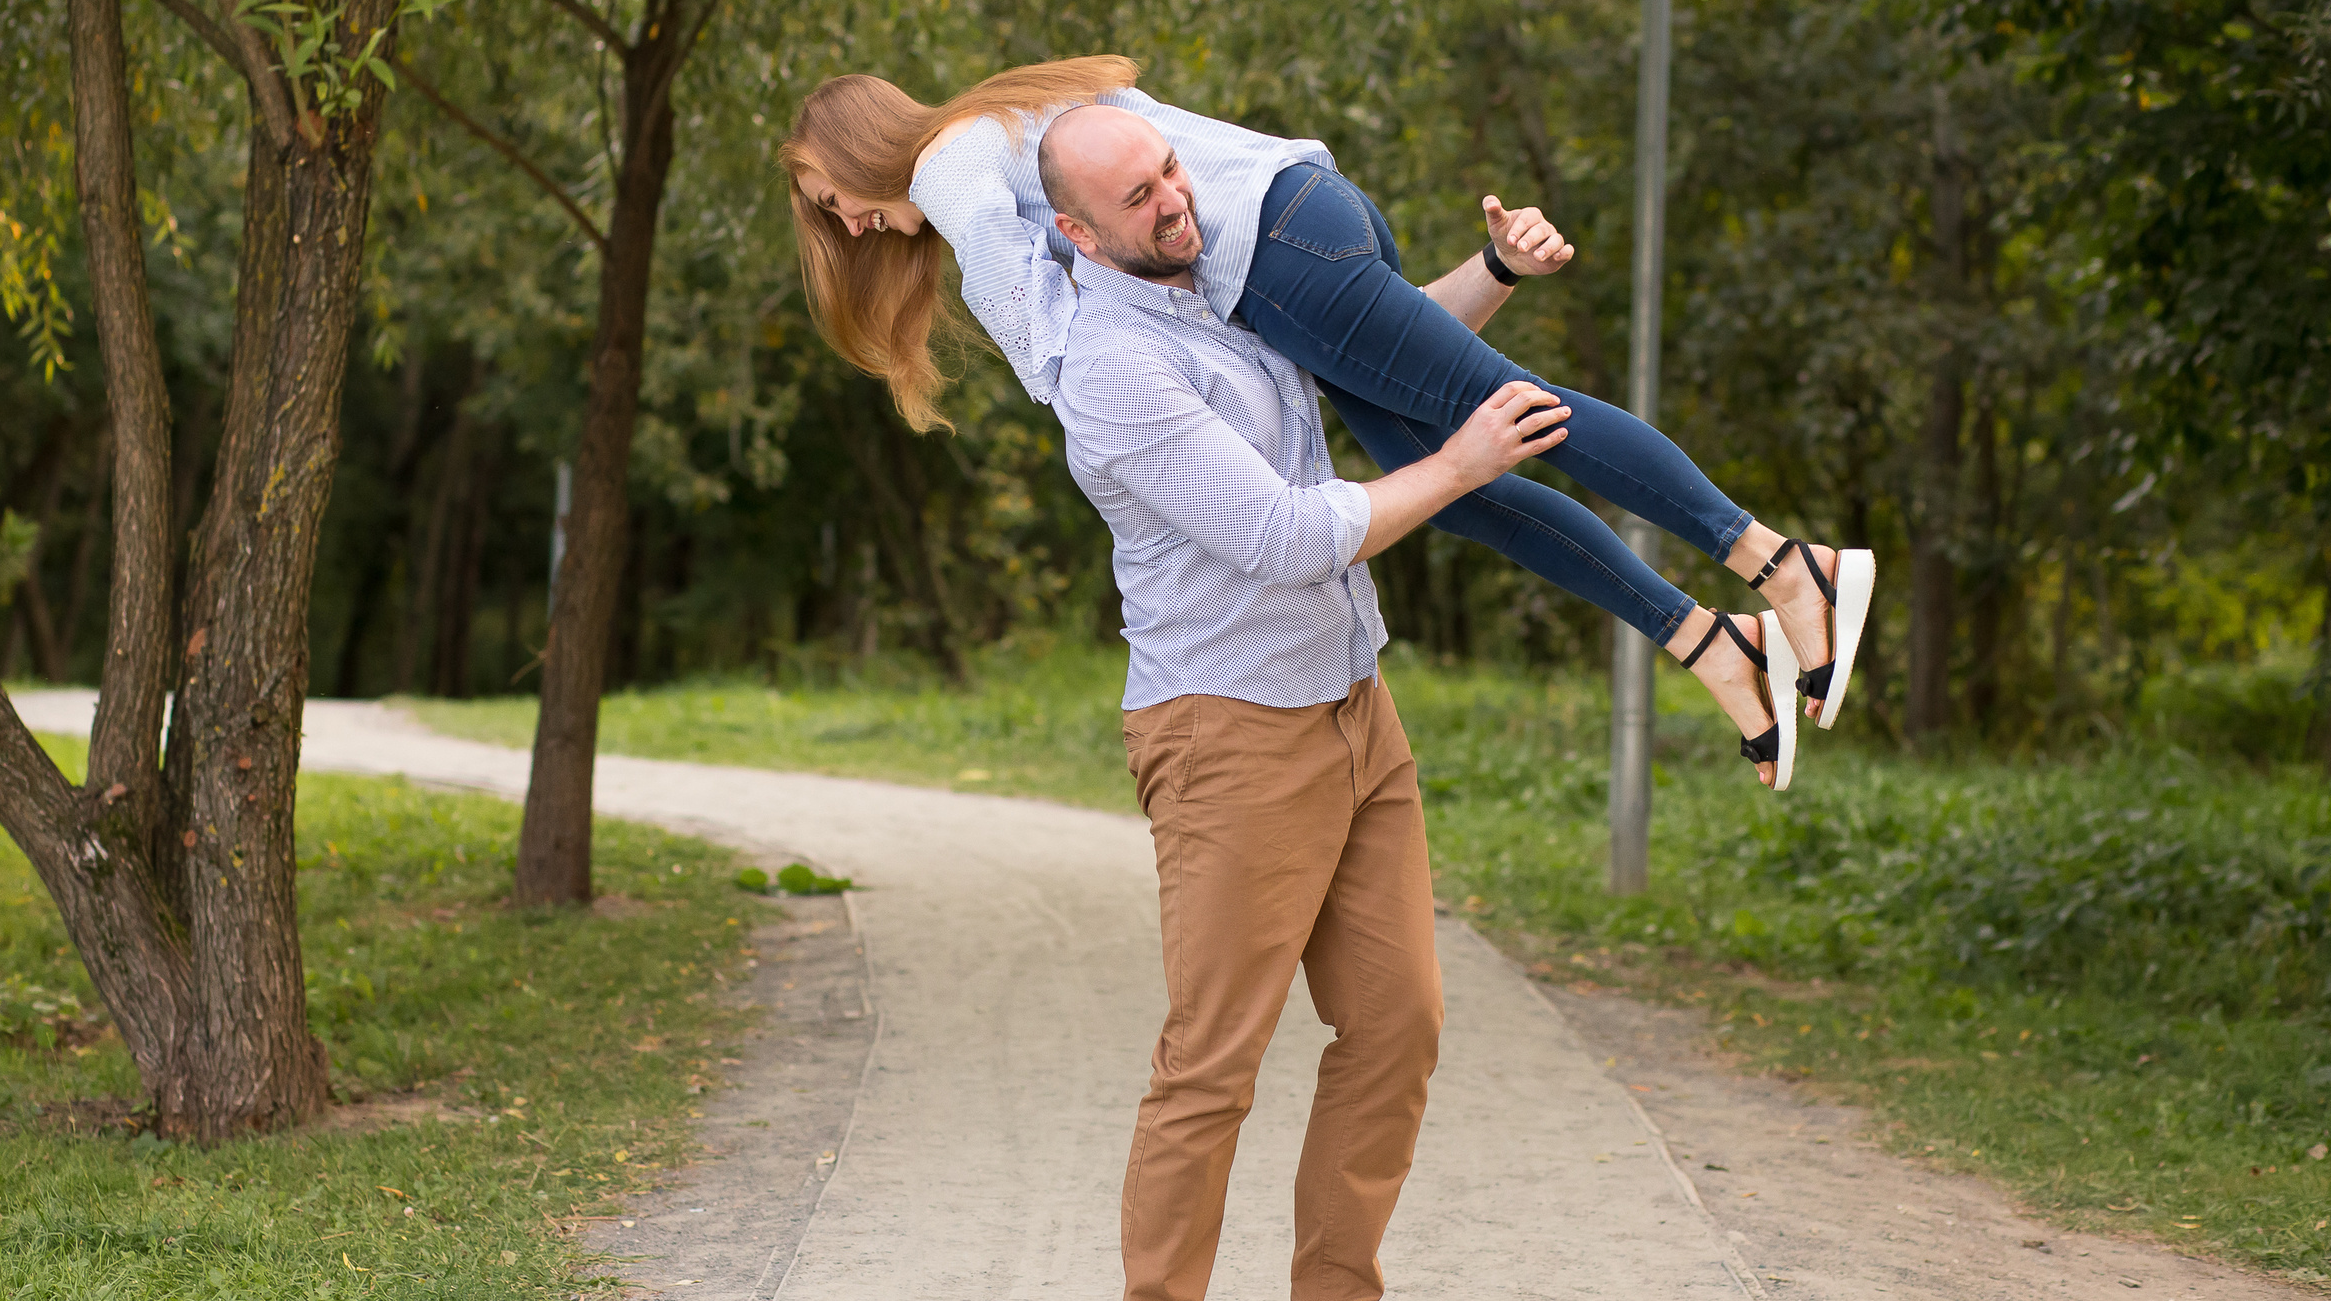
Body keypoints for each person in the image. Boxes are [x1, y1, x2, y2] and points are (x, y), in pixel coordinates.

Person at [779, 57, 1875, 789]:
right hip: (1297, 236)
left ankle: (1783, 565)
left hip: (1275, 247)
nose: (846, 222)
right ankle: (1710, 642)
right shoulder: (995, 131)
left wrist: (1083, 379)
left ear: (860, 147)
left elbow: (1032, 330)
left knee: (1516, 416)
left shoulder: (947, 160)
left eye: (829, 195)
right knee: (1463, 490)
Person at [1037, 103, 1574, 1301]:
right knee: (1211, 1060)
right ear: (1073, 233)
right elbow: (1285, 536)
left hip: (1352, 706)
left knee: (1398, 1023)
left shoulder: (1221, 286)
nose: (1173, 200)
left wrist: (1493, 279)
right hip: (1226, 735)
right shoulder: (1106, 365)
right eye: (1137, 195)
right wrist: (1460, 469)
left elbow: (1380, 355)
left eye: (1168, 171)